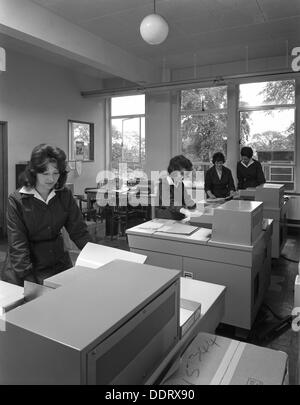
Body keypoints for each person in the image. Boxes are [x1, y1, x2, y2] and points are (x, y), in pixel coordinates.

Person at [3, 144, 92, 286]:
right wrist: (30, 282)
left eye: (56, 173)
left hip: (58, 264)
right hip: (26, 268)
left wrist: (97, 256)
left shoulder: (64, 195)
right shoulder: (17, 200)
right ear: (33, 172)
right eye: (45, 174)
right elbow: (18, 244)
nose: (51, 179)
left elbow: (79, 231)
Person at [155, 155, 196, 220]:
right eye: (182, 174)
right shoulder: (163, 184)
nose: (183, 177)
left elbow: (186, 198)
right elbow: (170, 204)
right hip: (165, 219)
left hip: (178, 218)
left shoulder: (180, 183)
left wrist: (195, 206)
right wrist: (184, 211)